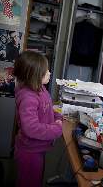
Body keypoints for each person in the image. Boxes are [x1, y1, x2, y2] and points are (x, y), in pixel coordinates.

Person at [13, 51, 63, 187]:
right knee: (29, 182)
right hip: (29, 151)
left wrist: (57, 116)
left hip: (38, 148)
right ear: (35, 76)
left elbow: (47, 108)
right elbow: (31, 128)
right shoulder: (28, 98)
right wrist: (56, 129)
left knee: (36, 179)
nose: (50, 73)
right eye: (46, 71)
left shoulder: (40, 89)